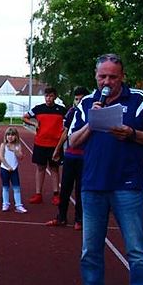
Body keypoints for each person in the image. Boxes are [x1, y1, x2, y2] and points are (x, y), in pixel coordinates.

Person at [67, 53, 143, 285]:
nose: (107, 82)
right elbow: (72, 141)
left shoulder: (140, 100)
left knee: (136, 250)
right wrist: (93, 121)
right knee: (90, 248)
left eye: (112, 77)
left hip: (127, 185)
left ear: (122, 77)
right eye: (102, 76)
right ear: (96, 77)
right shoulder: (87, 102)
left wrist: (131, 133)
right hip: (93, 184)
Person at [47, 86, 90, 229]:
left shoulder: (91, 113)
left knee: (80, 189)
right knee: (65, 187)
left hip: (85, 157)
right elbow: (65, 132)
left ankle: (79, 219)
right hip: (70, 156)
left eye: (81, 99)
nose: (78, 102)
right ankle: (61, 217)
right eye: (76, 99)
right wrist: (57, 150)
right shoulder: (72, 112)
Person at [23, 87, 66, 205]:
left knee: (54, 169)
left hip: (55, 145)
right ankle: (38, 194)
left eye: (51, 96)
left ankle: (56, 194)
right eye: (46, 96)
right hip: (40, 143)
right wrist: (34, 124)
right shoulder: (38, 109)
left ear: (55, 97)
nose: (48, 98)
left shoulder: (61, 110)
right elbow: (25, 117)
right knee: (40, 168)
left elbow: (69, 122)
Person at [0, 128, 27, 213]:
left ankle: (18, 205)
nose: (10, 137)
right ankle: (5, 204)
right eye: (8, 135)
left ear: (16, 136)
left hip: (14, 169)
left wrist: (15, 150)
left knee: (16, 187)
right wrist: (8, 166)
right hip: (5, 169)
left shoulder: (18, 145)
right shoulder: (3, 145)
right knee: (5, 187)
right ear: (6, 136)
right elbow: (1, 157)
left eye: (12, 135)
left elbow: (20, 157)